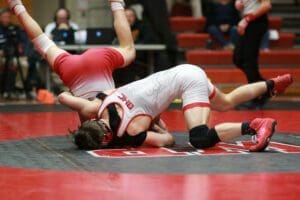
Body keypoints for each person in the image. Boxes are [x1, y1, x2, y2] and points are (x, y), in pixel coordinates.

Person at [58, 64, 292, 151]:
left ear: (105, 140)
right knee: (226, 102)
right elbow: (63, 98)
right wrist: (80, 102)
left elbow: (168, 140)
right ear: (90, 121)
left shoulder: (129, 132)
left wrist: (155, 128)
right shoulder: (98, 104)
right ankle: (272, 85)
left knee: (199, 138)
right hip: (181, 71)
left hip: (188, 82)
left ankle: (255, 125)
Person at [5, 0, 135, 102]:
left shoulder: (102, 114)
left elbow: (63, 97)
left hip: (88, 63)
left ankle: (116, 3)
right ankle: (17, 6)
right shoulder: (91, 115)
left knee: (128, 49)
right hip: (74, 70)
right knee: (43, 44)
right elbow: (64, 97)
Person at [233, 0, 272, 83]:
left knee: (248, 60)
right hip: (248, 21)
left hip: (256, 21)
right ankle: (263, 85)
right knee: (238, 59)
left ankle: (260, 89)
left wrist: (247, 19)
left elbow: (267, 5)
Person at [0, 7, 28, 99]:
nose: (6, 19)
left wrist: (21, 51)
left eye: (8, 17)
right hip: (2, 56)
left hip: (14, 55)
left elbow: (24, 42)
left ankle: (18, 88)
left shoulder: (15, 29)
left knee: (23, 64)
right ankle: (4, 90)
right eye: (4, 17)